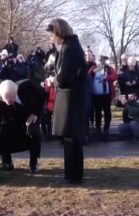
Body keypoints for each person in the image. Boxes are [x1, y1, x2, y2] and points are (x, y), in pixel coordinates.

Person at [46, 18, 87, 184]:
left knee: (70, 138)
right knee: (71, 138)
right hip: (70, 98)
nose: (51, 38)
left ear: (59, 33)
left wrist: (52, 81)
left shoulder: (69, 49)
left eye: (51, 35)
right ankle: (72, 173)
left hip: (70, 99)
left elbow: (64, 78)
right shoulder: (70, 46)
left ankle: (72, 175)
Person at [0, 80, 46, 173]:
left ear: (16, 91)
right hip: (13, 121)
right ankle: (7, 163)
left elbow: (43, 95)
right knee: (1, 133)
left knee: (33, 132)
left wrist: (35, 113)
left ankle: (34, 163)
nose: (11, 101)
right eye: (7, 99)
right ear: (2, 98)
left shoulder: (28, 86)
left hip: (31, 115)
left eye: (13, 98)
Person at [88, 55, 117, 140]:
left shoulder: (108, 68)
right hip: (96, 94)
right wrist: (94, 71)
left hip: (106, 94)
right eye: (99, 61)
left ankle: (106, 129)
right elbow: (88, 75)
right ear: (97, 61)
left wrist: (107, 77)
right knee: (97, 113)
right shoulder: (94, 68)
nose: (101, 62)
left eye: (102, 61)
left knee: (107, 112)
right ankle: (98, 129)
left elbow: (115, 76)